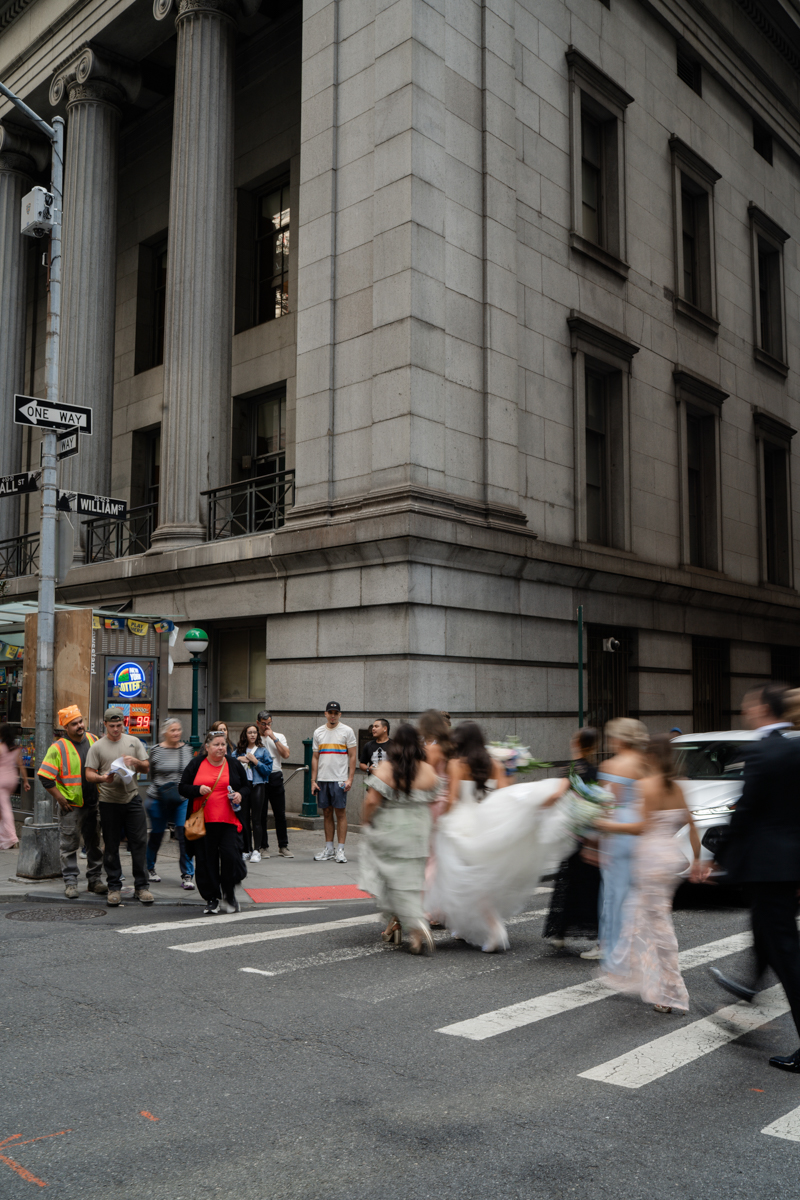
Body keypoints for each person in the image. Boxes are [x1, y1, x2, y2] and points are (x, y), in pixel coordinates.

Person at [709, 683, 800, 1071]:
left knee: (789, 959)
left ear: (763, 708)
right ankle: (748, 985)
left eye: (749, 705)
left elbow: (745, 811)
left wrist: (718, 857)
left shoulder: (762, 752)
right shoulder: (795, 748)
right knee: (769, 937)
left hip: (768, 867)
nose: (745, 710)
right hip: (785, 867)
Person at [426, 721, 571, 952]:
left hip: (462, 822)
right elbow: (505, 794)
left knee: (465, 879)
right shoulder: (494, 763)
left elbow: (452, 799)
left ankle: (494, 928)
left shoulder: (456, 763)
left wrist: (441, 819)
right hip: (487, 821)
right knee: (477, 877)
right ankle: (463, 928)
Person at [595, 734, 708, 1013]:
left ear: (652, 756)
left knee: (657, 925)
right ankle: (628, 973)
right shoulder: (678, 787)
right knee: (638, 916)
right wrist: (696, 860)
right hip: (670, 860)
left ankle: (668, 991)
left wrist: (606, 825)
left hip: (650, 862)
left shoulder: (646, 785)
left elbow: (640, 827)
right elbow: (692, 826)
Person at [359, 723, 439, 954]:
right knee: (412, 881)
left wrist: (367, 821)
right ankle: (410, 933)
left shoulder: (387, 768)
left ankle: (416, 923)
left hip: (393, 825)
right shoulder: (427, 769)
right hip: (420, 827)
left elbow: (372, 801)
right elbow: (435, 797)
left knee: (392, 879)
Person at [585, 718, 649, 964]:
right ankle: (640, 948)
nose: (609, 741)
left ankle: (614, 950)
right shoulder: (647, 763)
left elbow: (606, 804)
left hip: (618, 830)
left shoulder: (611, 765)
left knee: (615, 894)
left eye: (611, 737)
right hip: (641, 828)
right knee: (638, 893)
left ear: (620, 739)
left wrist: (592, 841)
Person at [179, 729, 251, 914]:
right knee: (206, 861)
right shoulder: (196, 764)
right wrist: (197, 790)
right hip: (203, 822)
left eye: (223, 744)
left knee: (231, 857)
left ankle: (229, 893)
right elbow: (182, 787)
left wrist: (240, 795)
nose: (221, 748)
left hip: (229, 821)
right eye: (216, 744)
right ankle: (212, 898)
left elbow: (246, 786)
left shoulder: (233, 764)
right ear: (207, 747)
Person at [85, 707, 152, 906]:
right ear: (105, 724)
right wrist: (102, 778)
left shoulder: (133, 742)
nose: (116, 729)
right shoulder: (97, 746)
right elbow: (88, 774)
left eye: (119, 725)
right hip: (108, 801)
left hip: (132, 798)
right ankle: (114, 887)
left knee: (139, 843)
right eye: (112, 726)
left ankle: (142, 887)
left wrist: (136, 762)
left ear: (124, 724)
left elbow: (146, 767)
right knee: (111, 845)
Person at [543, 727, 602, 949]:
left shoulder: (571, 768)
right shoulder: (597, 770)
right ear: (594, 746)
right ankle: (593, 930)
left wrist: (539, 805)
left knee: (568, 883)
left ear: (576, 743)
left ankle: (560, 932)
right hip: (591, 833)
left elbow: (558, 794)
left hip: (573, 834)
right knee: (590, 884)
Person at [38, 706, 103, 897]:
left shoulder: (93, 739)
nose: (80, 726)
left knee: (94, 844)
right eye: (74, 724)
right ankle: (71, 883)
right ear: (66, 727)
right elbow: (45, 776)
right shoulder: (58, 748)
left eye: (80, 721)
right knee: (69, 846)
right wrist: (60, 798)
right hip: (71, 806)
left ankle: (95, 880)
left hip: (93, 802)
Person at [146, 717, 195, 889]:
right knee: (157, 834)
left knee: (184, 835)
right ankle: (149, 868)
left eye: (178, 729)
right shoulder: (156, 750)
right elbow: (152, 774)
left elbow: (190, 774)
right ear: (165, 732)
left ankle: (187, 874)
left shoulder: (187, 749)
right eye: (172, 730)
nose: (176, 733)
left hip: (181, 799)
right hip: (159, 798)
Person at [311, 702, 357, 863]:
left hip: (339, 779)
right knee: (326, 813)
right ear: (325, 714)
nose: (333, 715)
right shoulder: (318, 732)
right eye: (330, 712)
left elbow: (353, 756)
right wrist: (313, 780)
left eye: (335, 713)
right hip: (323, 779)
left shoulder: (347, 731)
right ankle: (329, 848)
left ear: (340, 714)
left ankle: (341, 850)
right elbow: (315, 757)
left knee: (340, 813)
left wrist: (350, 778)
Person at [256, 711, 293, 858]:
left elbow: (286, 754)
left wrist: (273, 738)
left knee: (280, 813)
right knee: (261, 814)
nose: (266, 726)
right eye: (263, 724)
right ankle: (263, 846)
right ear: (258, 723)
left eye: (269, 723)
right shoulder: (254, 737)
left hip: (275, 775)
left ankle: (283, 846)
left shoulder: (279, 736)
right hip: (260, 776)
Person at [236, 723, 272, 862]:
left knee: (257, 819)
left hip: (258, 785)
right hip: (243, 787)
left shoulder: (263, 751)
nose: (252, 735)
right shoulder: (239, 751)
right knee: (244, 819)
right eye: (249, 732)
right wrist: (238, 759)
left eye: (254, 732)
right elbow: (229, 765)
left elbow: (268, 770)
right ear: (245, 734)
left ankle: (257, 849)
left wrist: (256, 761)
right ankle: (247, 849)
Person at [0, 723, 27, 853]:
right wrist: (25, 781)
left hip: (1, 781)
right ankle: (3, 838)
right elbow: (21, 766)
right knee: (2, 808)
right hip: (12, 780)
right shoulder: (16, 749)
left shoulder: (1, 747)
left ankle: (12, 838)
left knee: (5, 809)